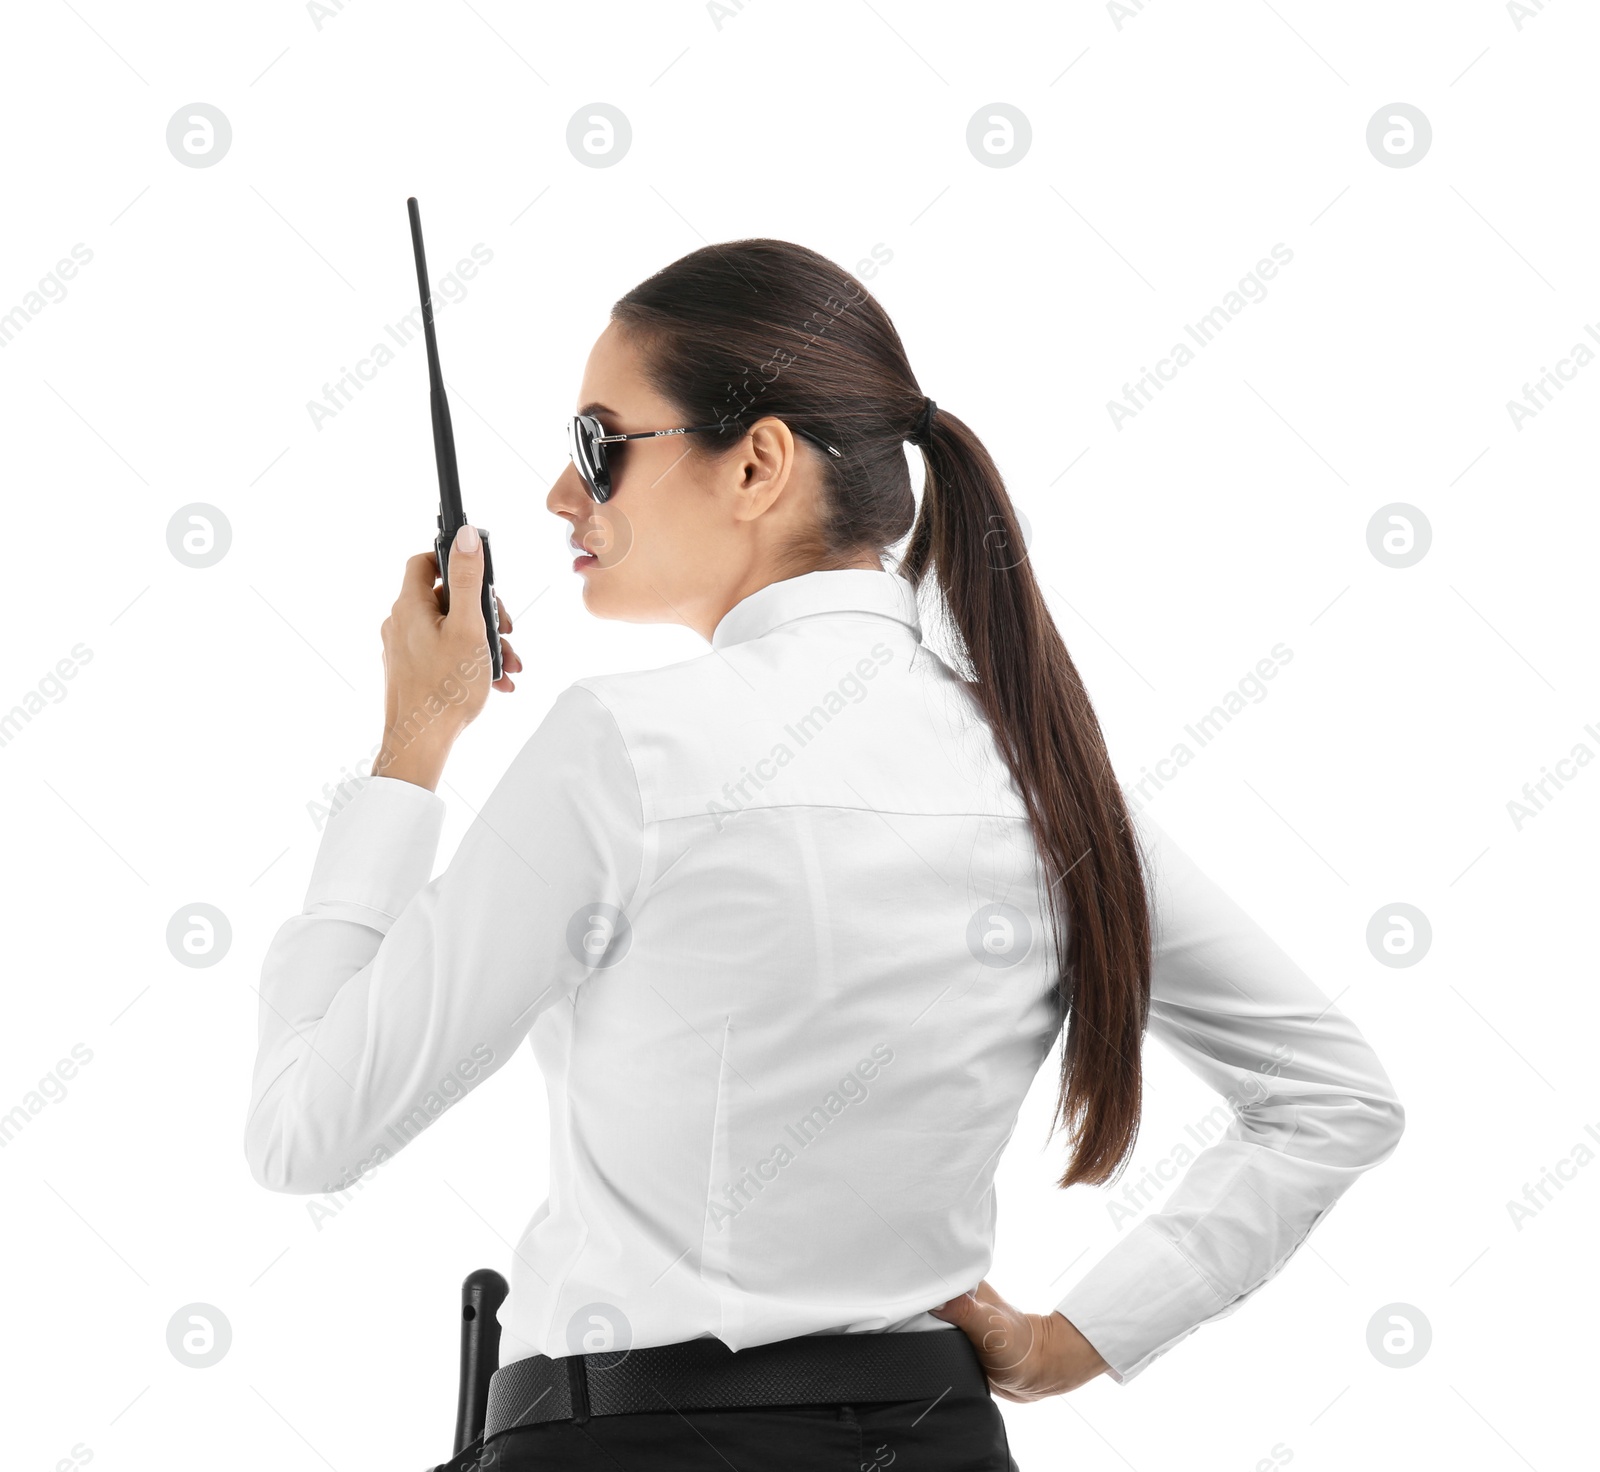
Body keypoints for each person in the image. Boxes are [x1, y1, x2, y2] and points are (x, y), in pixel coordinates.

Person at [244, 239, 1405, 1471]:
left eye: (600, 444)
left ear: (755, 463)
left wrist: (412, 742)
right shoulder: (1045, 773)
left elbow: (305, 1132)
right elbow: (1334, 1094)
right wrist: (1077, 1337)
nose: (557, 496)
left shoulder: (624, 750)